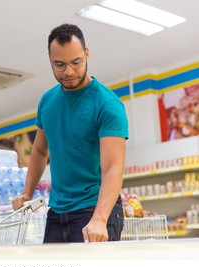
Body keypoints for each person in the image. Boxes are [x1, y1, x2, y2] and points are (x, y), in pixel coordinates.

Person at [12, 23, 129, 243]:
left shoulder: (107, 104)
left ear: (86, 54)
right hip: (57, 211)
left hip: (95, 210)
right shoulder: (47, 101)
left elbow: (113, 167)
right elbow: (38, 150)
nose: (68, 71)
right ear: (50, 60)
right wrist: (27, 193)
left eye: (76, 62)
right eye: (60, 64)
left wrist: (100, 219)